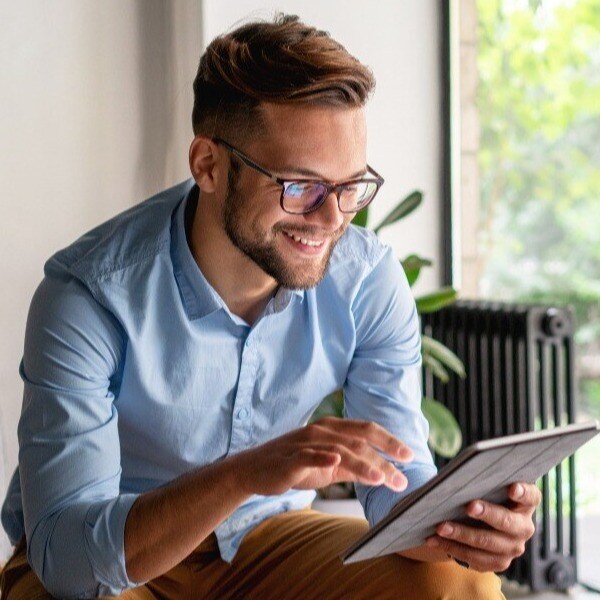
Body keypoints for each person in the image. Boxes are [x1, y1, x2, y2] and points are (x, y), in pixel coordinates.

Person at [0, 14, 539, 600]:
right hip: (119, 548)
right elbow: (68, 562)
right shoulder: (88, 296)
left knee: (459, 585)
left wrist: (460, 527)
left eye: (350, 187)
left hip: (264, 538)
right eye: (299, 187)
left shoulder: (367, 280)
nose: (332, 221)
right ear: (208, 164)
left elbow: (394, 484)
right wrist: (243, 474)